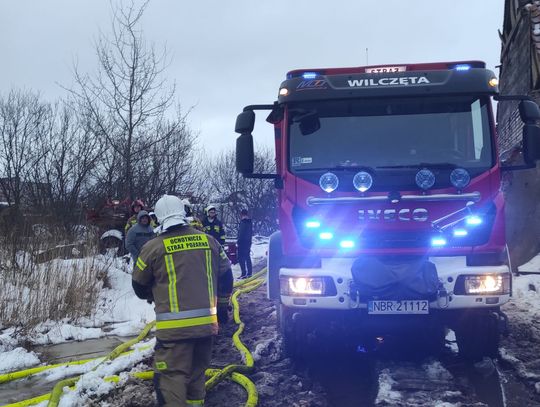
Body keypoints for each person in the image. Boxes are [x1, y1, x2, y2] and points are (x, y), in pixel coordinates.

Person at [132, 195, 233, 407]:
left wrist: (154, 292)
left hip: (173, 333)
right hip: (206, 327)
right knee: (197, 375)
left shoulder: (153, 248)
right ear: (183, 213)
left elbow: (139, 286)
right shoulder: (208, 241)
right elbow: (226, 277)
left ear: (158, 218)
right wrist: (223, 307)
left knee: (171, 378)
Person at [237, 209, 253, 279]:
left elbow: (241, 233)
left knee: (241, 258)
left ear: (241, 215)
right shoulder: (249, 222)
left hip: (242, 243)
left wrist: (238, 241)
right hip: (248, 242)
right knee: (247, 257)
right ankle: (249, 273)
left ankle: (243, 273)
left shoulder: (243, 222)